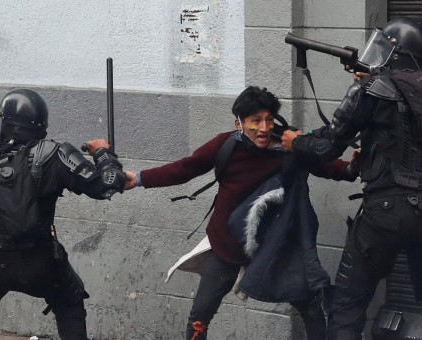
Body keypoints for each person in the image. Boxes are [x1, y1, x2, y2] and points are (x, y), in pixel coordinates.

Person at [124, 86, 359, 340]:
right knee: (200, 316)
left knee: (310, 307)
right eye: (255, 121)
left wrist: (353, 168)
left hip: (275, 246)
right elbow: (184, 169)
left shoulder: (290, 146)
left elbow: (328, 166)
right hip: (228, 244)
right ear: (240, 123)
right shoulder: (225, 146)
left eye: (269, 120)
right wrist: (138, 178)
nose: (264, 128)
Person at [282, 18, 422, 340]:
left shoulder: (370, 91)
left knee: (347, 307)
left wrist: (294, 141)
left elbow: (326, 146)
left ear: (399, 54)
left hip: (385, 212)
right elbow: (411, 116)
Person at [0, 89, 127, 340]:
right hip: (39, 262)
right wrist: (102, 152)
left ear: (7, 124)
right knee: (70, 301)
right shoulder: (56, 154)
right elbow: (108, 184)